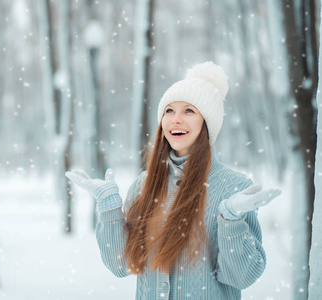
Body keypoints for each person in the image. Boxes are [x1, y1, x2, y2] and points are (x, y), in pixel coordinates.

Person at [65, 61, 281, 300]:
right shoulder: (143, 185)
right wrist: (108, 204)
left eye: (189, 111)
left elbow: (242, 277)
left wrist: (232, 220)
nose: (176, 120)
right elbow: (121, 265)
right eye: (169, 111)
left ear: (207, 123)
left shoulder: (234, 187)